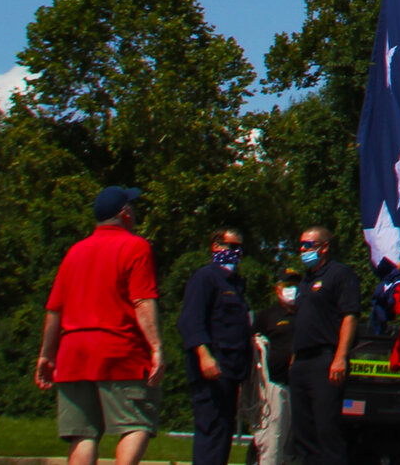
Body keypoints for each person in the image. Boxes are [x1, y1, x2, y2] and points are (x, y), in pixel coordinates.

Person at [36, 186, 164, 465]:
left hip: (73, 355)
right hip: (119, 350)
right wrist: (156, 347)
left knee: (82, 434)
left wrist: (46, 355)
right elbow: (142, 301)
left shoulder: (75, 252)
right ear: (125, 213)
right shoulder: (135, 246)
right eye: (132, 205)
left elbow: (54, 310)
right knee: (136, 423)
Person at [285, 227, 362, 465]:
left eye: (308, 245)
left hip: (325, 359)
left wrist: (340, 357)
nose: (303, 250)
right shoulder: (306, 281)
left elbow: (350, 316)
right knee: (303, 431)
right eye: (301, 245)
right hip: (301, 361)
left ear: (324, 247)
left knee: (326, 428)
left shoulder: (339, 274)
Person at [179, 229, 253, 465]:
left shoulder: (235, 283)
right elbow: (190, 321)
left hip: (230, 373)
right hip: (211, 370)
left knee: (223, 434)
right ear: (215, 246)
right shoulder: (206, 278)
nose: (234, 252)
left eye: (238, 247)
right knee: (211, 433)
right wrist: (204, 355)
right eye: (229, 246)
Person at [247, 279, 297, 465]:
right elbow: (253, 347)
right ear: (278, 289)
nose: (291, 289)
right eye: (287, 285)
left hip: (300, 386)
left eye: (295, 285)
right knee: (273, 436)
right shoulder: (267, 316)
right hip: (275, 385)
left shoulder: (306, 314)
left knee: (293, 440)